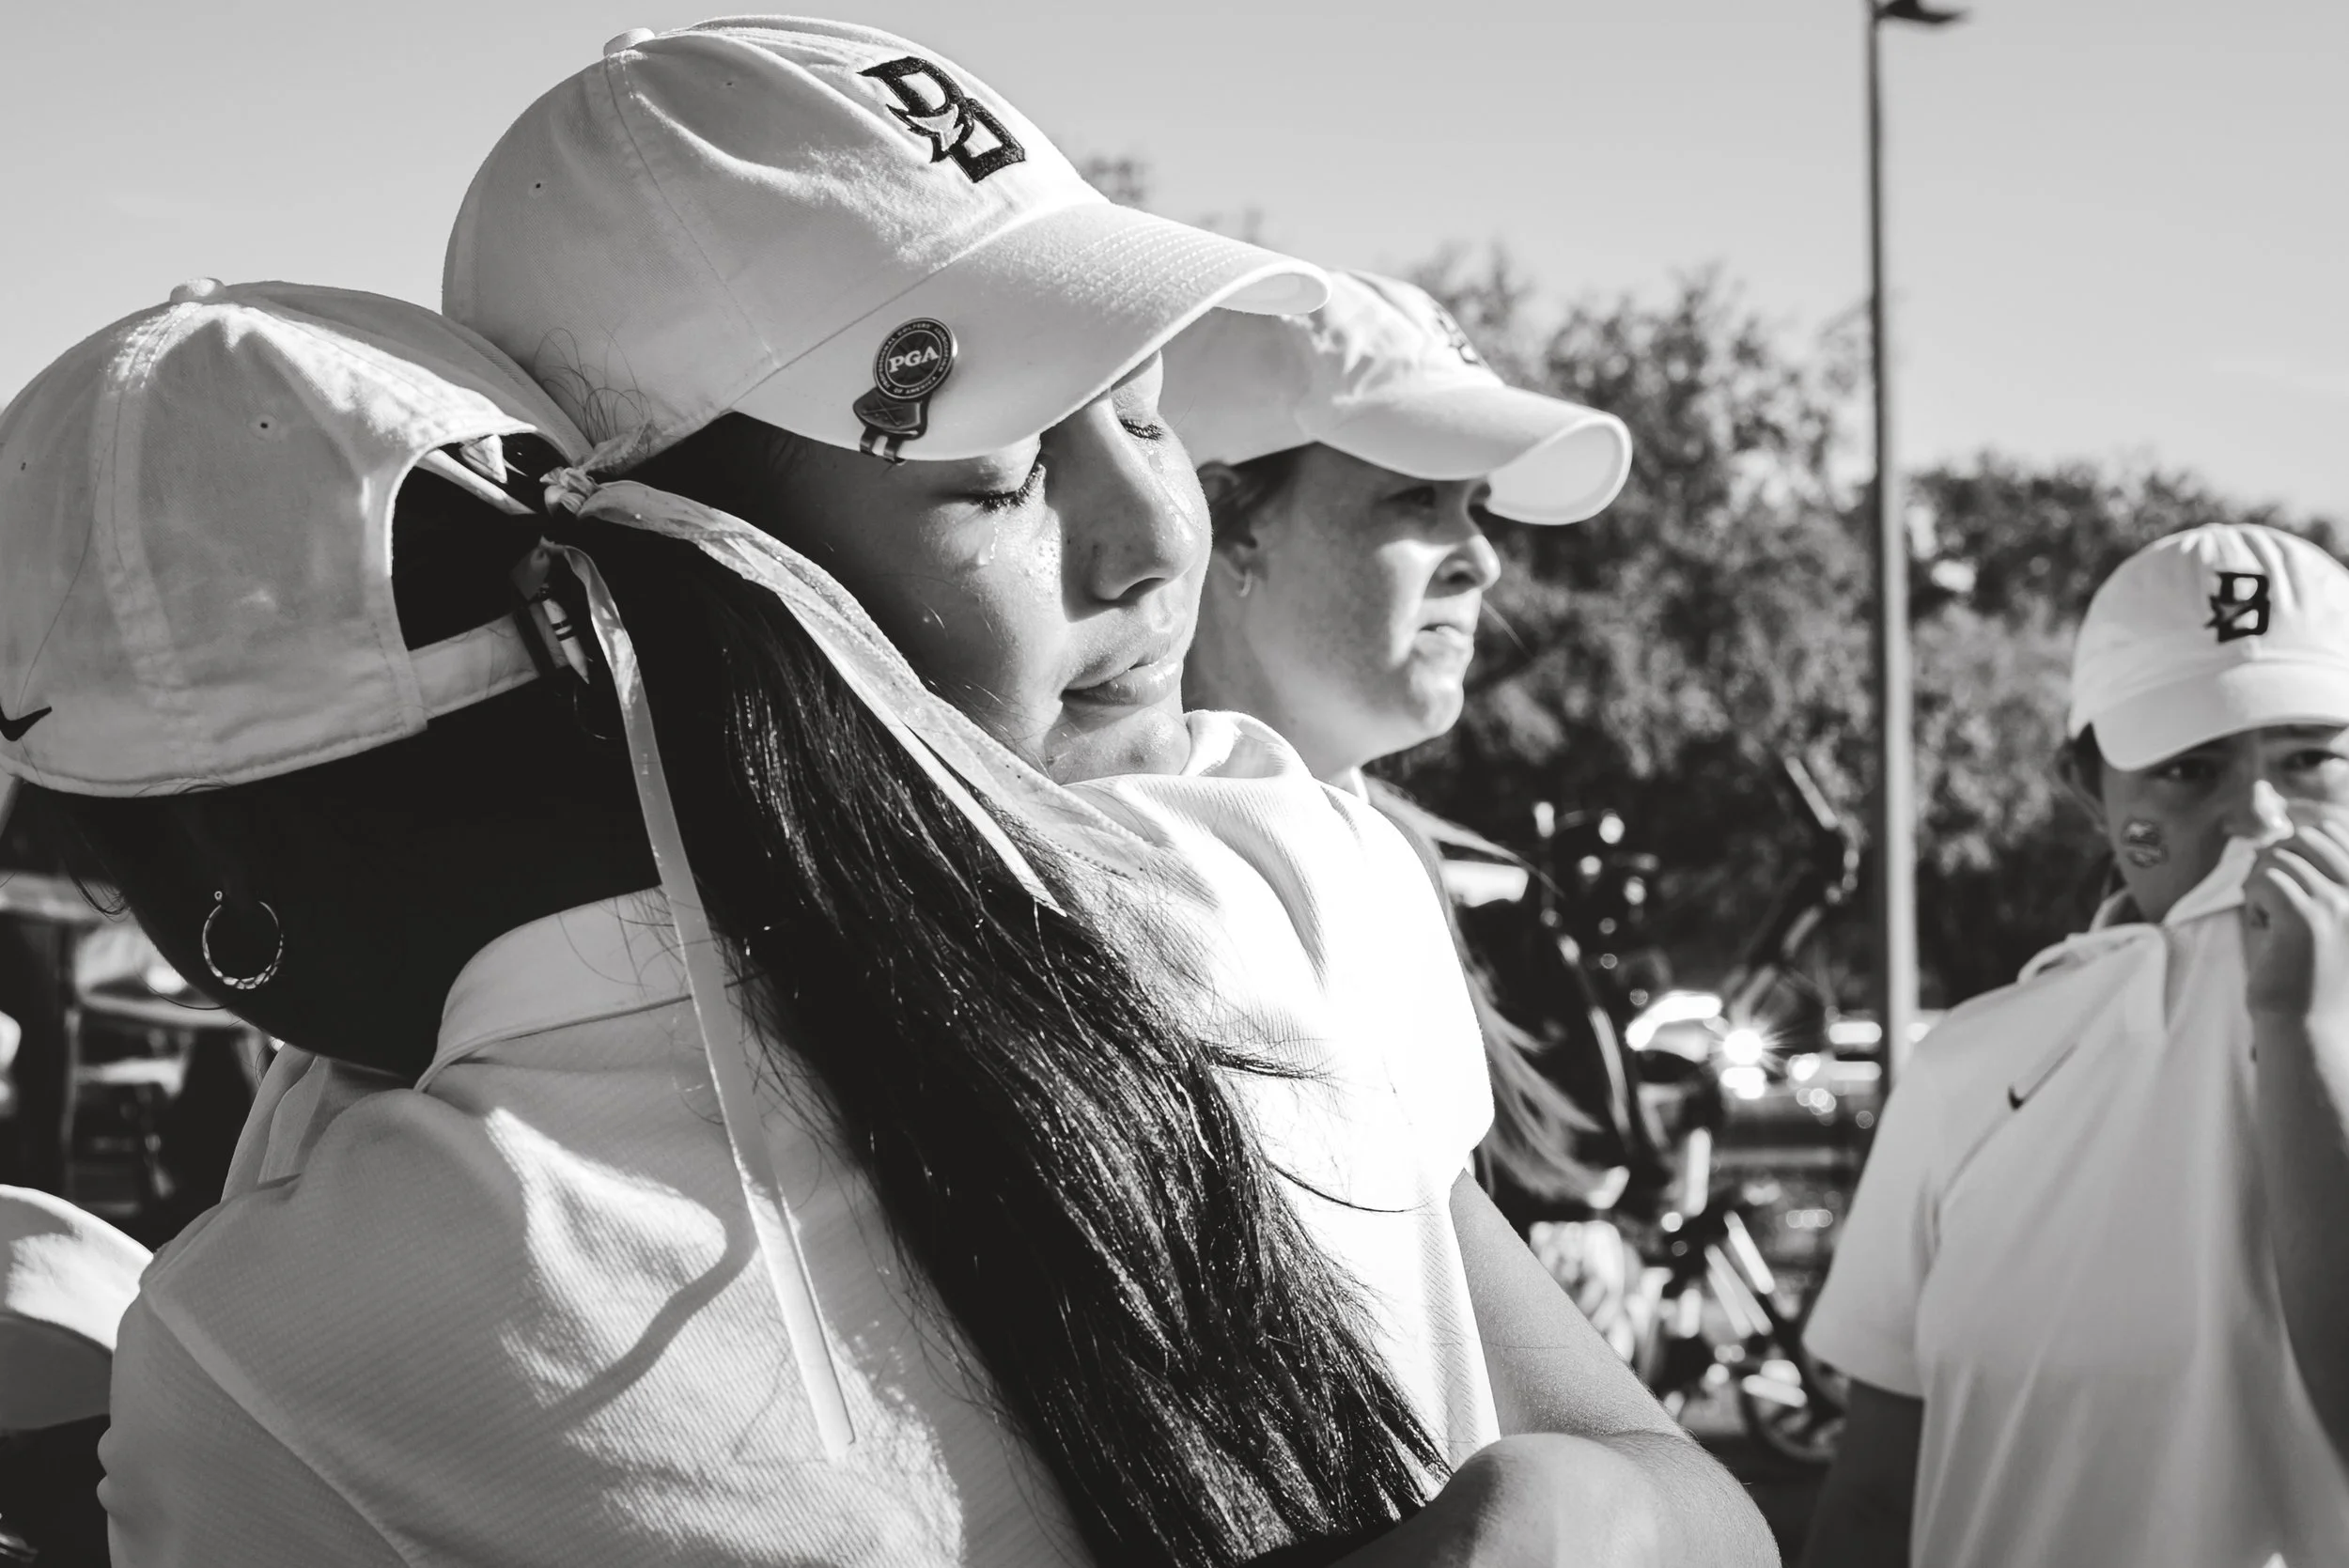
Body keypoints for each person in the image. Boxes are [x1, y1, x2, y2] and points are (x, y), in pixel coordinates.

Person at [2, 23, 1769, 1568]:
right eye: (992, 478)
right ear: (684, 568)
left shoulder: (290, 1320)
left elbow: (1665, 1494)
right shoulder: (1268, 868)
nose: (1159, 537)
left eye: (1147, 412)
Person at [1800, 522, 2349, 1568]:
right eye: (2189, 769)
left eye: (2312, 755)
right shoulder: (1970, 1064)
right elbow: (1873, 1493)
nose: (2260, 818)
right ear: (2090, 791)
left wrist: (2298, 1028)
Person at [1160, 272, 1662, 1276]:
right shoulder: (1097, 871)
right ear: (1230, 519)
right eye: (1415, 498)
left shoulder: (1403, 870)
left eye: (1475, 506)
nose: (1484, 560)